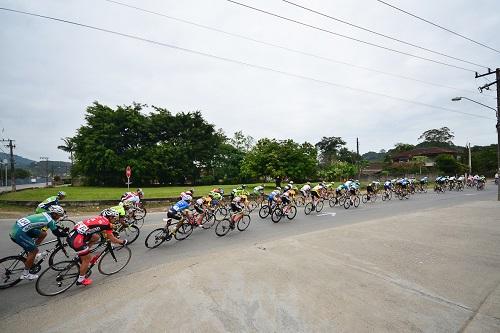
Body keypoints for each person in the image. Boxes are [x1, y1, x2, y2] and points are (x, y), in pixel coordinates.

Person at [67, 208, 126, 286]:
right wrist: (123, 242)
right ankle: (81, 279)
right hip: (77, 240)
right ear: (110, 217)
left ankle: (82, 254)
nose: (115, 220)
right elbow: (112, 239)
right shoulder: (108, 224)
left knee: (96, 237)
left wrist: (108, 231)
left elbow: (98, 227)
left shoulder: (100, 218)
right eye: (114, 218)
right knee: (87, 259)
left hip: (73, 235)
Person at [10, 205, 68, 280]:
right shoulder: (50, 220)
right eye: (59, 215)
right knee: (34, 251)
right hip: (18, 234)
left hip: (17, 228)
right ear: (54, 214)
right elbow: (57, 233)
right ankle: (25, 274)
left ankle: (32, 252)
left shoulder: (44, 214)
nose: (59, 217)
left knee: (43, 234)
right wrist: (68, 234)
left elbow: (46, 226)